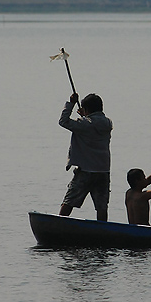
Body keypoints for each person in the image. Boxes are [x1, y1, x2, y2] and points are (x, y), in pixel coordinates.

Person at [59, 92, 112, 222]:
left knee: (69, 201)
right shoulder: (108, 123)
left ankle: (59, 223)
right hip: (103, 171)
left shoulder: (83, 124)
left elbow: (63, 121)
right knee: (101, 206)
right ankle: (102, 231)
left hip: (86, 171)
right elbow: (93, 124)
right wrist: (86, 116)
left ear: (87, 109)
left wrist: (71, 103)